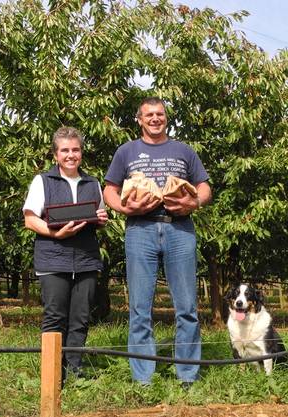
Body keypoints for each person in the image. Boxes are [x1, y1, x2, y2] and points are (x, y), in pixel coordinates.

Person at [103, 97, 211, 387]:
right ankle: (143, 380)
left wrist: (194, 202)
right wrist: (125, 208)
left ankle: (187, 376)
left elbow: (204, 187)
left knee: (187, 307)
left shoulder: (183, 151)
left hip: (180, 230)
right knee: (140, 308)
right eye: (148, 114)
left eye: (160, 114)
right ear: (139, 119)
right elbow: (110, 190)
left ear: (166, 118)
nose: (155, 118)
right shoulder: (126, 151)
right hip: (141, 229)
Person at [22, 126, 109, 379]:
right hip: (53, 257)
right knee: (55, 316)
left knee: (81, 318)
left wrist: (101, 219)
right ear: (55, 155)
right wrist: (54, 233)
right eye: (65, 150)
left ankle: (74, 368)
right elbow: (30, 219)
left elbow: (99, 213)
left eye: (75, 150)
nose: (71, 155)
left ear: (81, 152)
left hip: (86, 259)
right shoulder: (43, 181)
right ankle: (52, 372)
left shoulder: (93, 182)